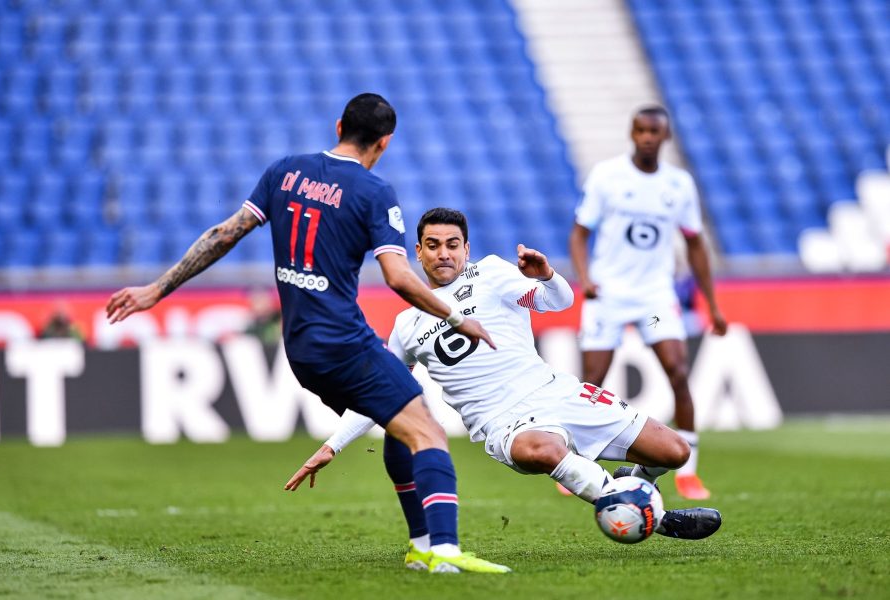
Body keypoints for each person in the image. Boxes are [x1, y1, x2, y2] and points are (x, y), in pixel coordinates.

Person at [105, 94, 509, 574]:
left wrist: (157, 289)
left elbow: (223, 234)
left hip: (300, 349)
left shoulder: (284, 172)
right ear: (385, 143)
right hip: (344, 343)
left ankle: (421, 546)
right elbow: (399, 278)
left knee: (403, 427)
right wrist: (459, 318)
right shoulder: (373, 191)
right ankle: (443, 553)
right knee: (429, 432)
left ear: (339, 125)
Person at [285, 208, 722, 569]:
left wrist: (547, 275)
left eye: (452, 244)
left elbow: (559, 302)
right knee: (542, 453)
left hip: (556, 392)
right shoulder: (406, 325)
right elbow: (381, 395)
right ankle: (647, 512)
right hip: (504, 423)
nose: (443, 254)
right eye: (432, 245)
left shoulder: (492, 273)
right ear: (417, 252)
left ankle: (638, 491)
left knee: (675, 452)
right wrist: (333, 445)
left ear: (466, 249)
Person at [568, 105, 728, 500]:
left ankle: (688, 471)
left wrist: (712, 304)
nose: (647, 137)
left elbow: (695, 244)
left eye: (654, 131)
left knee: (677, 369)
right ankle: (573, 464)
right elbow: (578, 234)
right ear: (631, 133)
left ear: (665, 136)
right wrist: (585, 279)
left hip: (654, 297)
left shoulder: (679, 185)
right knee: (592, 385)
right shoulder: (607, 176)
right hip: (607, 294)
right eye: (640, 130)